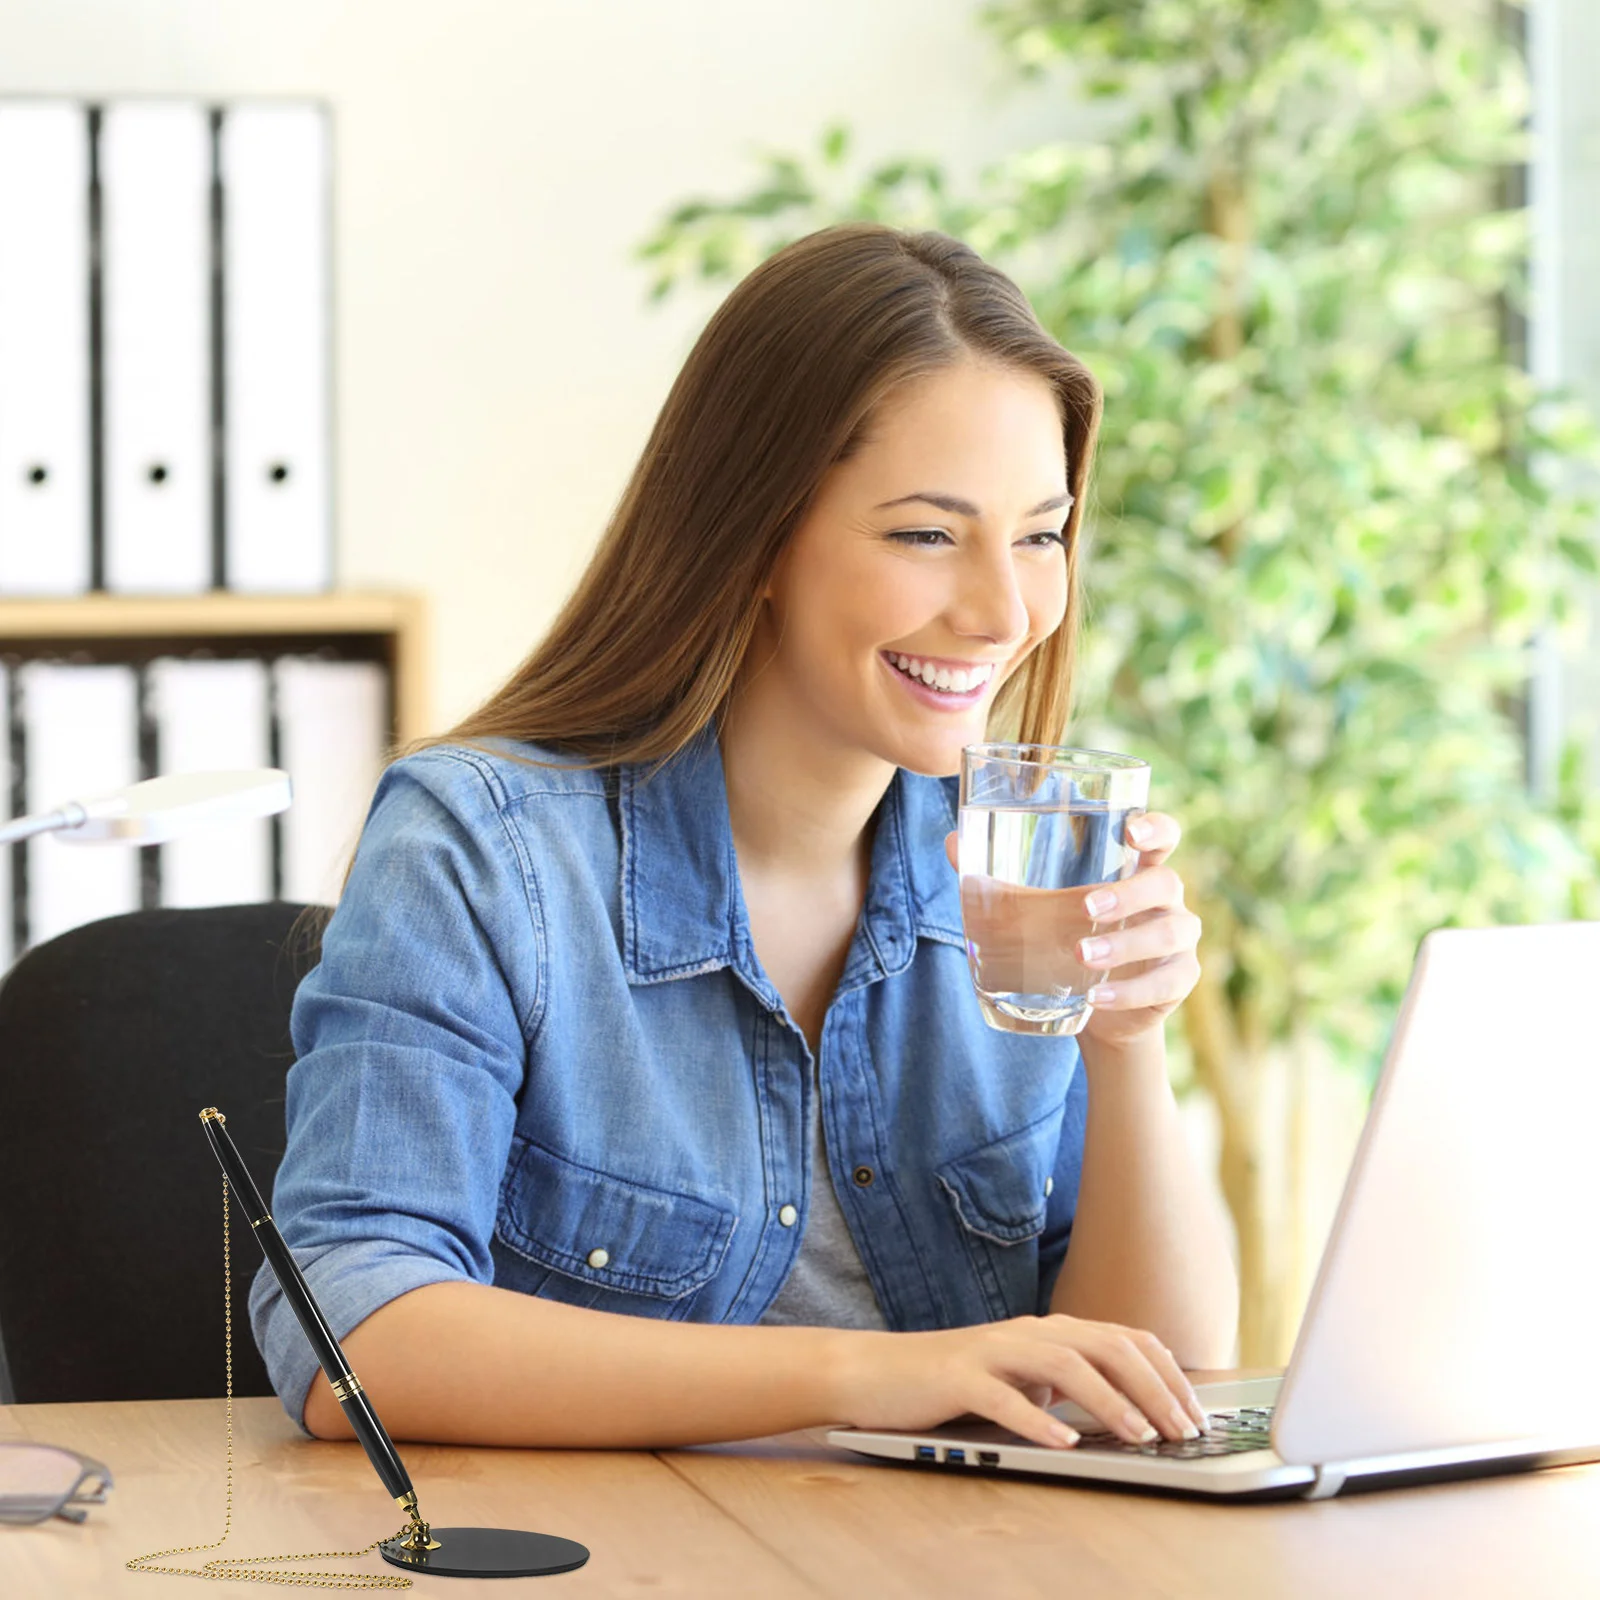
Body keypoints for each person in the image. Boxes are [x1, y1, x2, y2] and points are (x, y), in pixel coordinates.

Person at [251, 223, 1238, 1456]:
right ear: (757, 537)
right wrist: (859, 1375)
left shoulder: (1011, 873)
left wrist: (1127, 1048)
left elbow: (1163, 1389)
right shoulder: (484, 849)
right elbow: (354, 1336)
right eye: (926, 534)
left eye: (1039, 534)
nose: (1003, 611)